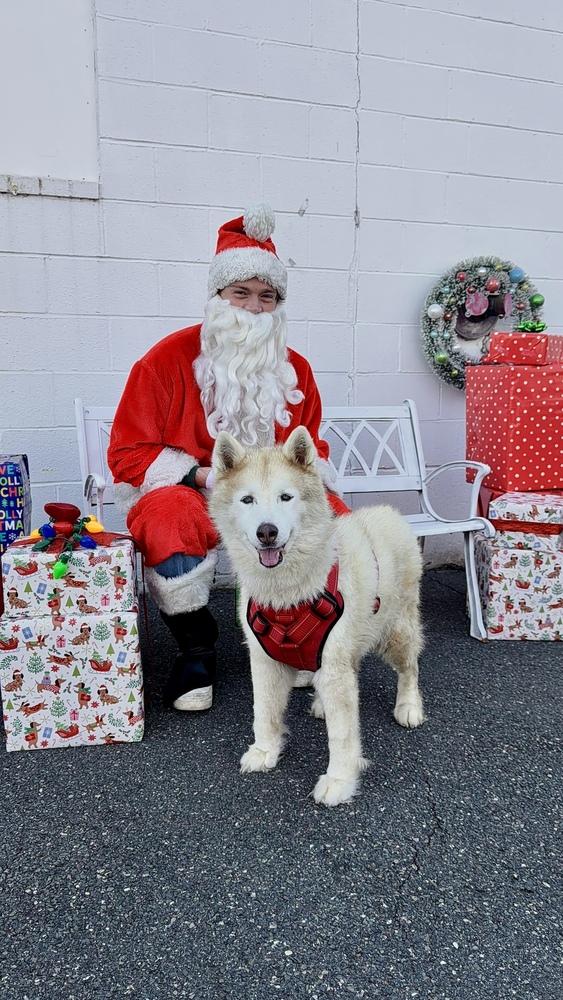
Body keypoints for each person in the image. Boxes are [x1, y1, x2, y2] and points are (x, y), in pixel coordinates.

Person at [107, 204, 346, 712]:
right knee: (165, 516)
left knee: (338, 523)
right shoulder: (166, 360)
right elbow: (128, 454)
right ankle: (196, 650)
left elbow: (313, 449)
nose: (254, 309)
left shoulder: (295, 368)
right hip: (196, 493)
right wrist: (198, 474)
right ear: (218, 296)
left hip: (272, 499)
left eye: (267, 297)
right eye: (241, 293)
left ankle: (304, 641)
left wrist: (301, 485)